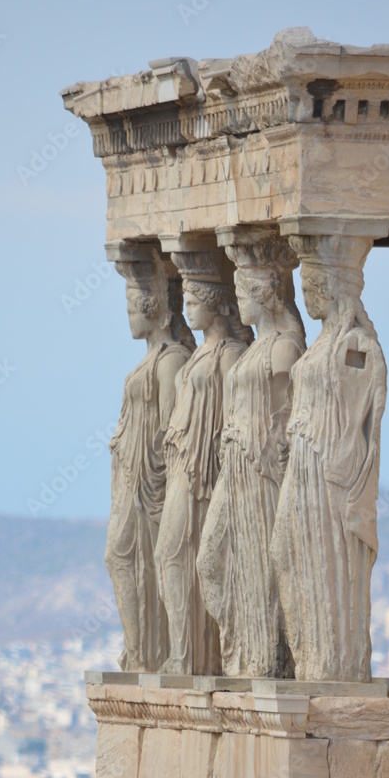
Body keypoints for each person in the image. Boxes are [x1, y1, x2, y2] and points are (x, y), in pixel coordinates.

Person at [272, 235, 386, 682]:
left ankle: (330, 661)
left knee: (322, 560)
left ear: (333, 288)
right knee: (284, 550)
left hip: (326, 469)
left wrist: (340, 462)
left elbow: (363, 411)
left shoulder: (355, 343)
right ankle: (309, 656)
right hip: (302, 462)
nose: (306, 297)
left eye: (311, 287)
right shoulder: (322, 343)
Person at [198, 241, 305, 677]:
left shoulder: (284, 350)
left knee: (260, 566)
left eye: (243, 292)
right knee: (211, 560)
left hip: (262, 472)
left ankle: (266, 659)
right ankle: (241, 645)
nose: (238, 300)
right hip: (235, 466)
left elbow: (288, 421)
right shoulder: (257, 348)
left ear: (265, 294)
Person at [156, 254, 251, 675]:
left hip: (204, 471)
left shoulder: (230, 355)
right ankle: (185, 652)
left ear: (215, 304)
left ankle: (194, 656)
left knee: (176, 553)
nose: (188, 309)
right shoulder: (195, 355)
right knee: (168, 554)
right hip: (181, 462)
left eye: (195, 302)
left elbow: (234, 416)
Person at [105, 256, 195, 672]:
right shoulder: (150, 358)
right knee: (120, 557)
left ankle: (146, 653)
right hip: (129, 473)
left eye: (131, 309)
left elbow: (169, 427)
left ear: (153, 308)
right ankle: (139, 651)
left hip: (150, 479)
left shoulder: (172, 359)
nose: (128, 318)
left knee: (127, 557)